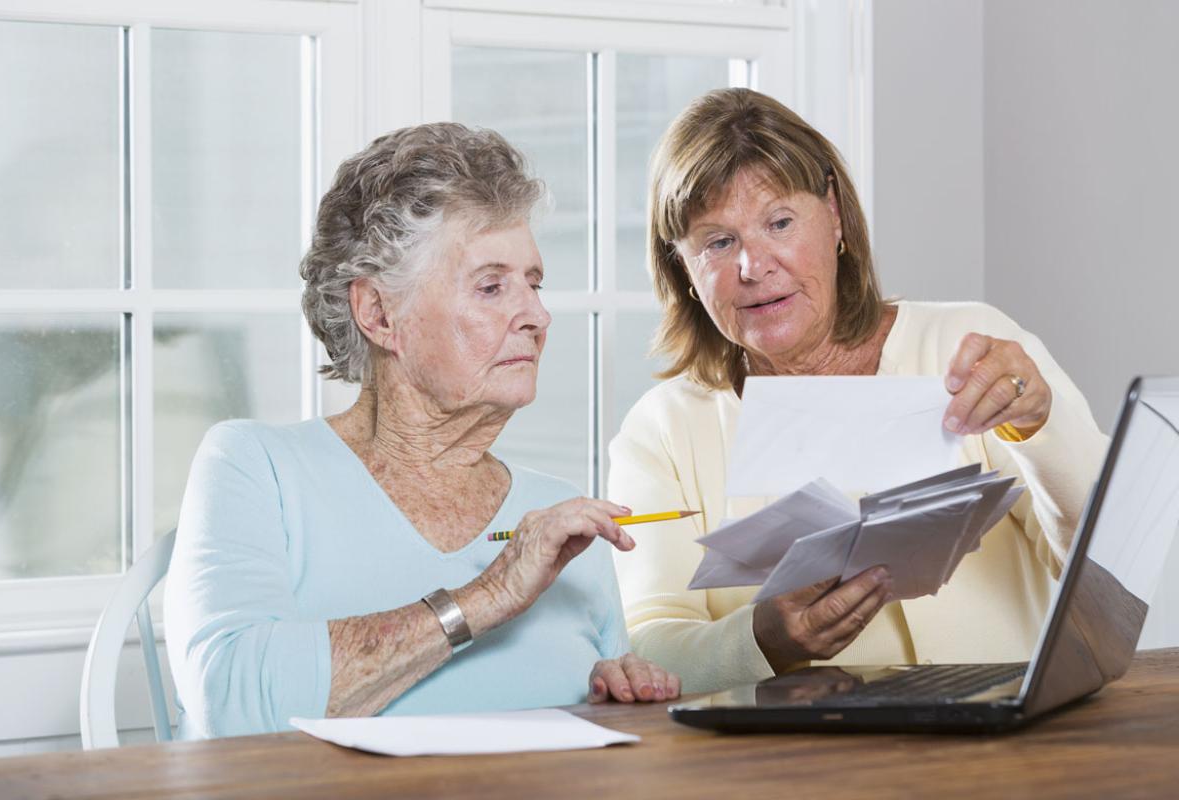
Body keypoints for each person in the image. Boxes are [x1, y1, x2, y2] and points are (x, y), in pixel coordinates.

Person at [164, 122, 680, 739]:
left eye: (534, 283)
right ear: (380, 313)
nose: (538, 317)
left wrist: (624, 689)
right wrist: (491, 594)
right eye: (491, 287)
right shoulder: (255, 466)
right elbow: (232, 701)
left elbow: (604, 706)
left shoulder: (557, 512)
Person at [607, 88, 1108, 693]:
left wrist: (1038, 427)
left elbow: (1100, 562)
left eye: (780, 222)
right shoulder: (661, 428)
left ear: (835, 217)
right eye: (718, 242)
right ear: (682, 268)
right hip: (798, 771)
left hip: (1001, 754)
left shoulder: (970, 344)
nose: (753, 266)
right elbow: (652, 644)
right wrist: (764, 638)